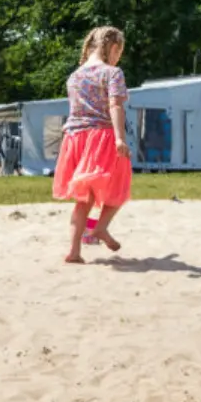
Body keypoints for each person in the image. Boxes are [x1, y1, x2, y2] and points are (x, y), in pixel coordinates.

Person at [52, 25, 131, 264]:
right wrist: (119, 138)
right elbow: (115, 106)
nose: (118, 58)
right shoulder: (112, 73)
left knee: (83, 199)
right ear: (113, 47)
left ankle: (74, 251)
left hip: (74, 140)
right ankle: (100, 228)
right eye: (119, 52)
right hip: (101, 136)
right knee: (120, 187)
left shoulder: (73, 76)